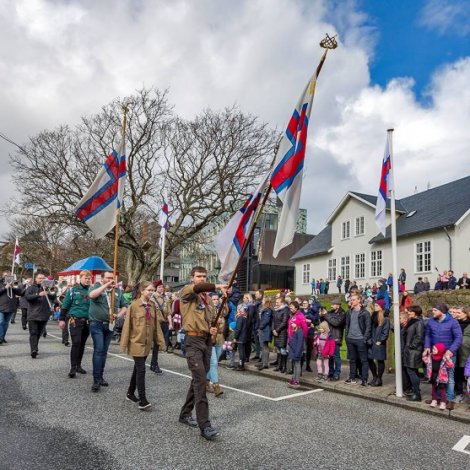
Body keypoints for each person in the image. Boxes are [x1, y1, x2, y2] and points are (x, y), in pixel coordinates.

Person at [178, 266, 227, 441]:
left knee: (197, 379)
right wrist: (218, 286)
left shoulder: (207, 299)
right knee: (201, 382)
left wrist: (212, 329)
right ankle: (205, 426)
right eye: (199, 276)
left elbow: (210, 321)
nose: (202, 279)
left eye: (204, 276)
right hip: (192, 342)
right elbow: (197, 288)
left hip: (206, 341)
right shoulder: (187, 293)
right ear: (192, 278)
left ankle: (184, 414)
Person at [120, 281, 165, 410]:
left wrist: (161, 342)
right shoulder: (133, 306)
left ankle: (130, 392)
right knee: (141, 370)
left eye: (152, 290)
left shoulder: (152, 306)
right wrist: (124, 345)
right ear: (142, 291)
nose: (151, 292)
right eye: (149, 290)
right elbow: (127, 326)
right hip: (136, 342)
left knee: (137, 369)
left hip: (147, 343)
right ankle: (143, 400)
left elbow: (156, 325)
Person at [88, 272, 128, 392]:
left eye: (113, 278)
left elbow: (125, 306)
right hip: (96, 323)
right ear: (103, 278)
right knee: (99, 350)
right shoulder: (96, 286)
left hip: (110, 325)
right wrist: (106, 286)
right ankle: (96, 379)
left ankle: (100, 376)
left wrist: (118, 315)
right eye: (108, 278)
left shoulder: (117, 291)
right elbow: (92, 295)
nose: (111, 280)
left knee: (104, 351)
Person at [423, 303, 463, 410]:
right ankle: (437, 398)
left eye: (435, 310)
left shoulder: (453, 322)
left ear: (442, 311)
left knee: (449, 377)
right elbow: (427, 334)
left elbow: (458, 337)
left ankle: (449, 400)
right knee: (435, 376)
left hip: (448, 355)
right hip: (435, 354)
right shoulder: (431, 321)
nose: (433, 312)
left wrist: (450, 350)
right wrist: (427, 346)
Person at [58, 270, 92, 378]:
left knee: (82, 344)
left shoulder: (92, 291)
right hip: (75, 320)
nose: (87, 280)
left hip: (88, 321)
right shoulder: (73, 290)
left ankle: (78, 365)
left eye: (89, 278)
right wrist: (62, 319)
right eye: (85, 278)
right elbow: (65, 305)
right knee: (76, 343)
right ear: (80, 278)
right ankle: (72, 368)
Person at [25, 273, 56, 358]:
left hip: (44, 314)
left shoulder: (47, 288)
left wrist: (49, 292)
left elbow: (54, 297)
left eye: (43, 278)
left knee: (39, 333)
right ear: (36, 279)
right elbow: (27, 297)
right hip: (33, 314)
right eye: (40, 278)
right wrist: (38, 295)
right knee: (33, 333)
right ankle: (33, 350)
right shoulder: (31, 288)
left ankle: (35, 347)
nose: (41, 280)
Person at [344, 293, 371, 386]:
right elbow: (347, 325)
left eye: (354, 299)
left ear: (359, 300)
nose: (352, 301)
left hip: (360, 340)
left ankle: (364, 380)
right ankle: (352, 377)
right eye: (351, 299)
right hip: (350, 339)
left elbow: (368, 327)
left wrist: (364, 339)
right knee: (352, 360)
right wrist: (346, 337)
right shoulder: (349, 312)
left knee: (363, 360)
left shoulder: (365, 313)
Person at [206, 292, 227, 396]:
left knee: (215, 362)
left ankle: (205, 381)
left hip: (220, 338)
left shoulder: (221, 309)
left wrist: (225, 297)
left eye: (217, 299)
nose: (215, 301)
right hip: (210, 338)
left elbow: (227, 310)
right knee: (213, 362)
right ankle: (216, 385)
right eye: (213, 299)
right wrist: (215, 319)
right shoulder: (208, 310)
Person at [402, 306, 424, 401]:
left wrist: (411, 346)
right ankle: (415, 391)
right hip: (409, 350)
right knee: (412, 371)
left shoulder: (418, 322)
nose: (409, 313)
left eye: (410, 311)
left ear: (415, 312)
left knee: (412, 371)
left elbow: (419, 336)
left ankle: (417, 394)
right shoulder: (411, 321)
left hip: (414, 351)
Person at [423, 343, 454, 410]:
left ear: (439, 351)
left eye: (434, 349)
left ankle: (443, 402)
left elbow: (450, 365)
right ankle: (434, 400)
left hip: (441, 377)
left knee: (442, 390)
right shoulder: (430, 356)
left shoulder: (444, 358)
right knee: (433, 389)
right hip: (433, 375)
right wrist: (424, 356)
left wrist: (448, 359)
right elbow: (426, 361)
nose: (433, 350)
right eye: (433, 348)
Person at [368, 303, 390, 387]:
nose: (375, 307)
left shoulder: (385, 318)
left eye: (377, 305)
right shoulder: (373, 316)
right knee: (370, 359)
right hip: (371, 341)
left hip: (378, 342)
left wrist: (380, 340)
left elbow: (385, 331)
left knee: (380, 360)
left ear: (381, 307)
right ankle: (374, 376)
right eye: (375, 305)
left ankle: (379, 379)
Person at [323, 299, 346, 380]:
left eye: (333, 304)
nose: (331, 306)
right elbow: (324, 320)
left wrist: (326, 315)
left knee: (336, 356)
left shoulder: (342, 313)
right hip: (329, 337)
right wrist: (322, 314)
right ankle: (331, 372)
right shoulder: (331, 312)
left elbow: (336, 323)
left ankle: (337, 373)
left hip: (336, 337)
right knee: (330, 356)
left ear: (338, 305)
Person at [0, 271, 25, 344]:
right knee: (0, 322)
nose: (6, 277)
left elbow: (21, 292)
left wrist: (13, 287)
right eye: (5, 276)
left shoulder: (14, 284)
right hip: (1, 306)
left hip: (10, 306)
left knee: (5, 324)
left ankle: (2, 337)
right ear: (2, 276)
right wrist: (5, 288)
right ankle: (0, 338)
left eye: (8, 276)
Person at [455, 307, 470, 403]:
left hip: (467, 354)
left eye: (459, 312)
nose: (457, 314)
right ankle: (459, 393)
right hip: (457, 354)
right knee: (458, 375)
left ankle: (467, 394)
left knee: (467, 376)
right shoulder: (456, 324)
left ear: (465, 314)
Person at [272, 296, 289, 373]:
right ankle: (278, 366)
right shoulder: (276, 310)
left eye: (277, 302)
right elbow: (273, 321)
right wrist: (273, 329)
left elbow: (284, 322)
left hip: (282, 333)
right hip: (276, 332)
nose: (276, 303)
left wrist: (277, 330)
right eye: (276, 302)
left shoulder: (285, 310)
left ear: (282, 302)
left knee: (283, 350)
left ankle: (284, 366)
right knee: (278, 350)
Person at [256, 297, 273, 371]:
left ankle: (265, 364)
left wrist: (260, 327)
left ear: (266, 301)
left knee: (265, 347)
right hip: (263, 330)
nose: (262, 301)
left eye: (263, 300)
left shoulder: (268, 310)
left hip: (265, 330)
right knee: (263, 347)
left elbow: (266, 321)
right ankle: (263, 362)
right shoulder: (264, 309)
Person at [287, 321, 304, 389]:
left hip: (297, 351)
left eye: (293, 323)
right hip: (294, 351)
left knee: (297, 365)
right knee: (295, 365)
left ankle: (297, 380)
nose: (292, 324)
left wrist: (297, 353)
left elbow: (300, 344)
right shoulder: (295, 330)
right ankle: (294, 378)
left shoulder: (299, 331)